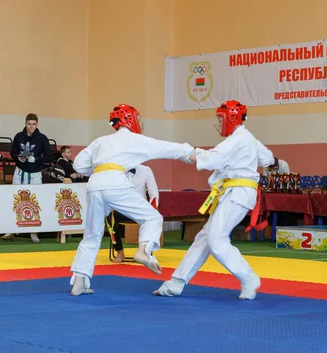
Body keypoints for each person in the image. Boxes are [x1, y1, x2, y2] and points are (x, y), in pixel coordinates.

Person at [153, 100, 274, 300]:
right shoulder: (246, 138)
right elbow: (268, 158)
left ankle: (248, 277)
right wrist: (191, 153)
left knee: (216, 239)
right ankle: (175, 284)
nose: (217, 123)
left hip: (238, 192)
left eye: (220, 118)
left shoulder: (238, 139)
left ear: (232, 119)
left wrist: (185, 152)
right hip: (233, 192)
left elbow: (212, 160)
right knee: (205, 238)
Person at [69, 103, 194, 296]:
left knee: (91, 235)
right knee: (152, 218)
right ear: (131, 119)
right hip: (116, 182)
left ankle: (79, 282)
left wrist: (99, 168)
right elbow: (164, 148)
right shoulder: (135, 139)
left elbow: (78, 165)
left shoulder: (100, 141)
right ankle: (143, 250)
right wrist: (189, 152)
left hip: (95, 184)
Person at [3, 113, 52, 243]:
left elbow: (48, 156)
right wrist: (18, 157)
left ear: (37, 124)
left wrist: (35, 159)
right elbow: (12, 152)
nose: (31, 127)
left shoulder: (42, 138)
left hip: (35, 173)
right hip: (20, 172)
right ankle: (11, 230)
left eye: (33, 124)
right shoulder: (19, 136)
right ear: (25, 123)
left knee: (35, 202)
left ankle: (34, 232)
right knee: (15, 199)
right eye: (29, 124)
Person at [106, 164, 159, 263]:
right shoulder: (117, 171)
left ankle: (144, 252)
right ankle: (119, 251)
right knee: (109, 216)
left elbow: (154, 193)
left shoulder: (146, 170)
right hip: (123, 209)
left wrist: (151, 210)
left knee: (151, 219)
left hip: (141, 210)